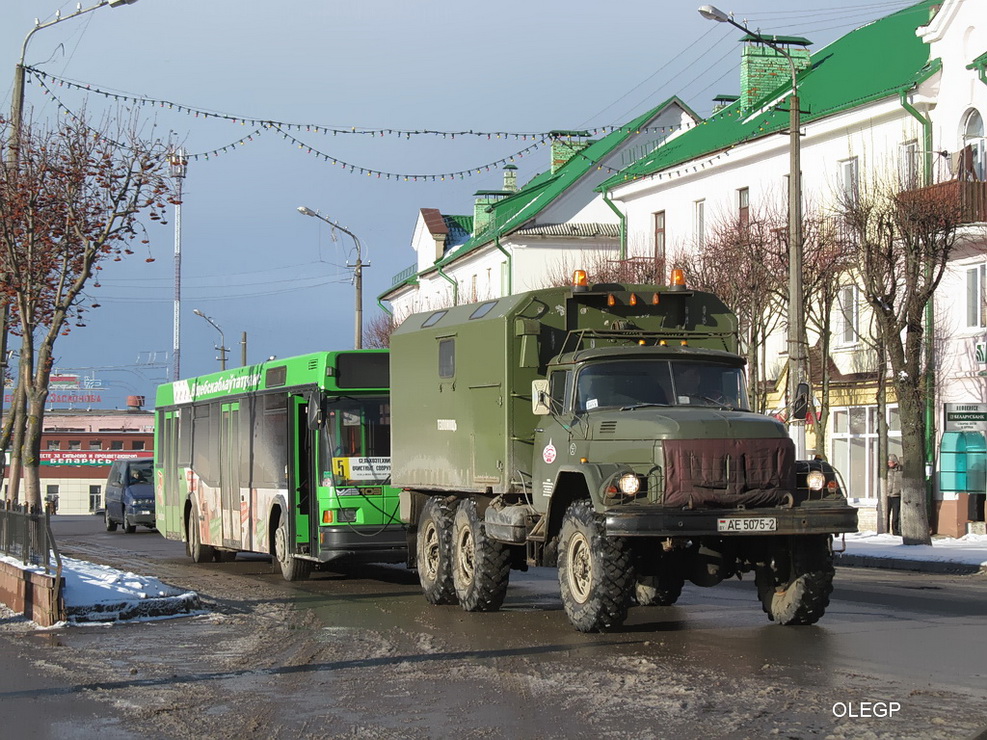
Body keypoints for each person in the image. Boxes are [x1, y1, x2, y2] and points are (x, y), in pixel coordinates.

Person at [887, 454, 902, 536]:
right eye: (888, 462)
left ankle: (895, 532)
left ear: (895, 462)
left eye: (891, 462)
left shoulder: (900, 471)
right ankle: (885, 531)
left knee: (895, 516)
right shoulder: (886, 471)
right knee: (886, 515)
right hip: (887, 496)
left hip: (896, 496)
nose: (889, 464)